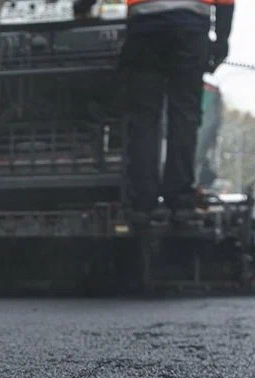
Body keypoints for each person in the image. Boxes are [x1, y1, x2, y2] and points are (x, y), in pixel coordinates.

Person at [79, 0, 234, 223]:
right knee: (184, 115)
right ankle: (179, 200)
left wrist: (82, 7)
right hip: (190, 29)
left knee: (143, 117)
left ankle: (142, 203)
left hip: (145, 30)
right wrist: (222, 39)